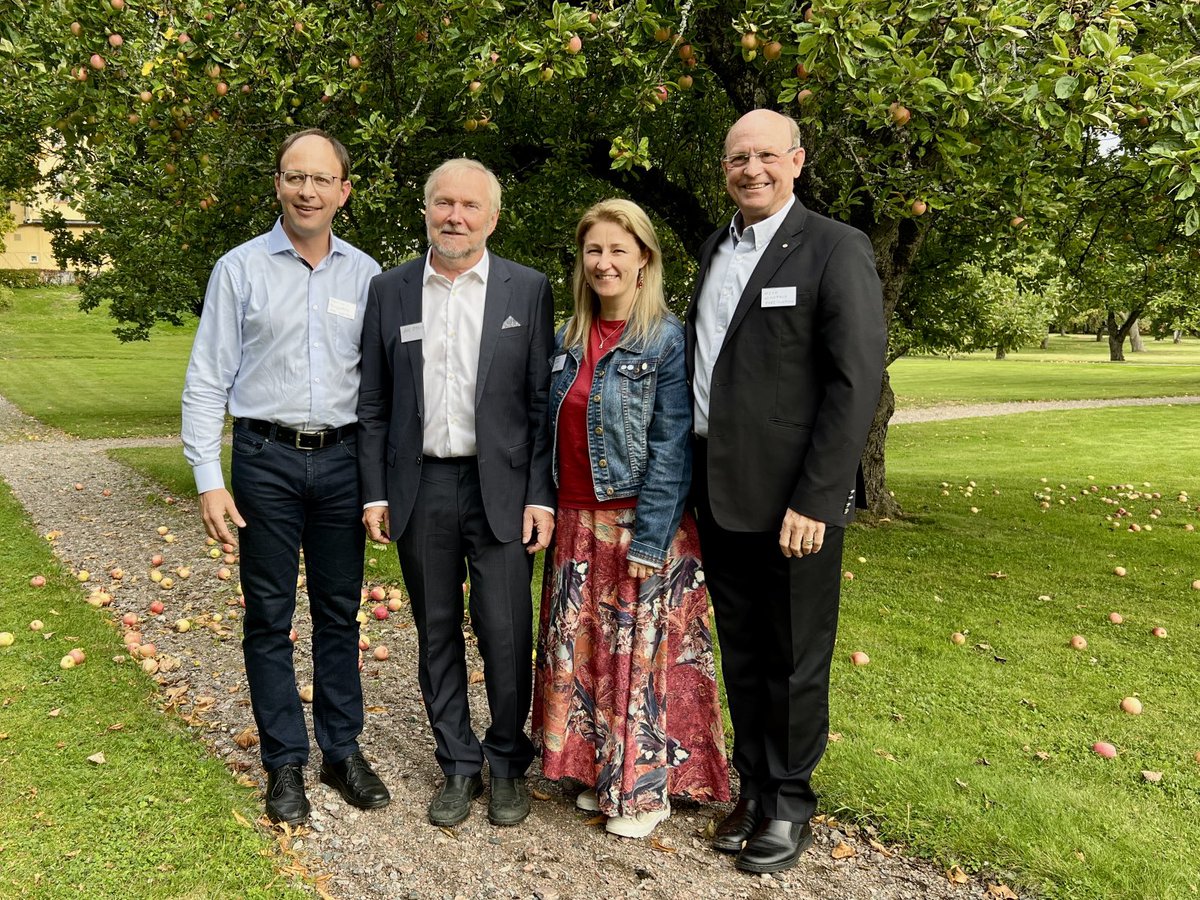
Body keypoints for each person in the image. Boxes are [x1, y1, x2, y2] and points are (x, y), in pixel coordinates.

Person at [686, 109, 886, 873]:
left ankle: (790, 803)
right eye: (738, 158)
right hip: (720, 489)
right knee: (743, 652)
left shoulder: (836, 248)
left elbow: (853, 382)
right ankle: (755, 785)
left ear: (797, 161)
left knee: (797, 656)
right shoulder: (716, 247)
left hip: (795, 503)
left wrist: (819, 497)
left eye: (766, 156)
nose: (751, 170)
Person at [181, 128, 391, 825]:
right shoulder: (238, 269)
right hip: (264, 460)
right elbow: (207, 378)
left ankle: (341, 750)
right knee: (269, 617)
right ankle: (284, 764)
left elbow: (380, 390)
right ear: (277, 185)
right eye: (295, 177)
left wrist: (378, 481)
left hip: (341, 461)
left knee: (338, 612)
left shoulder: (367, 277)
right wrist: (210, 477)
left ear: (344, 191)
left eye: (321, 179)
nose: (307, 190)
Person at [357, 158, 555, 828]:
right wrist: (374, 493)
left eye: (470, 206)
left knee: (503, 631)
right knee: (435, 628)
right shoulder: (390, 290)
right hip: (422, 487)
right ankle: (458, 764)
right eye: (443, 203)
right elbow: (374, 403)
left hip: (500, 486)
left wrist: (540, 494)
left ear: (492, 217)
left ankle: (505, 763)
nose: (455, 217)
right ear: (426, 210)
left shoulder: (526, 290)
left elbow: (538, 403)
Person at [532, 199, 729, 840]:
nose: (605, 262)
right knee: (588, 656)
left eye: (619, 250)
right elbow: (549, 432)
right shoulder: (567, 337)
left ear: (644, 259)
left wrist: (650, 535)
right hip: (575, 523)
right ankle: (600, 773)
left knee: (637, 657)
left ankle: (645, 791)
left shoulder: (665, 339)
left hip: (637, 524)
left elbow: (673, 445)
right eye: (594, 250)